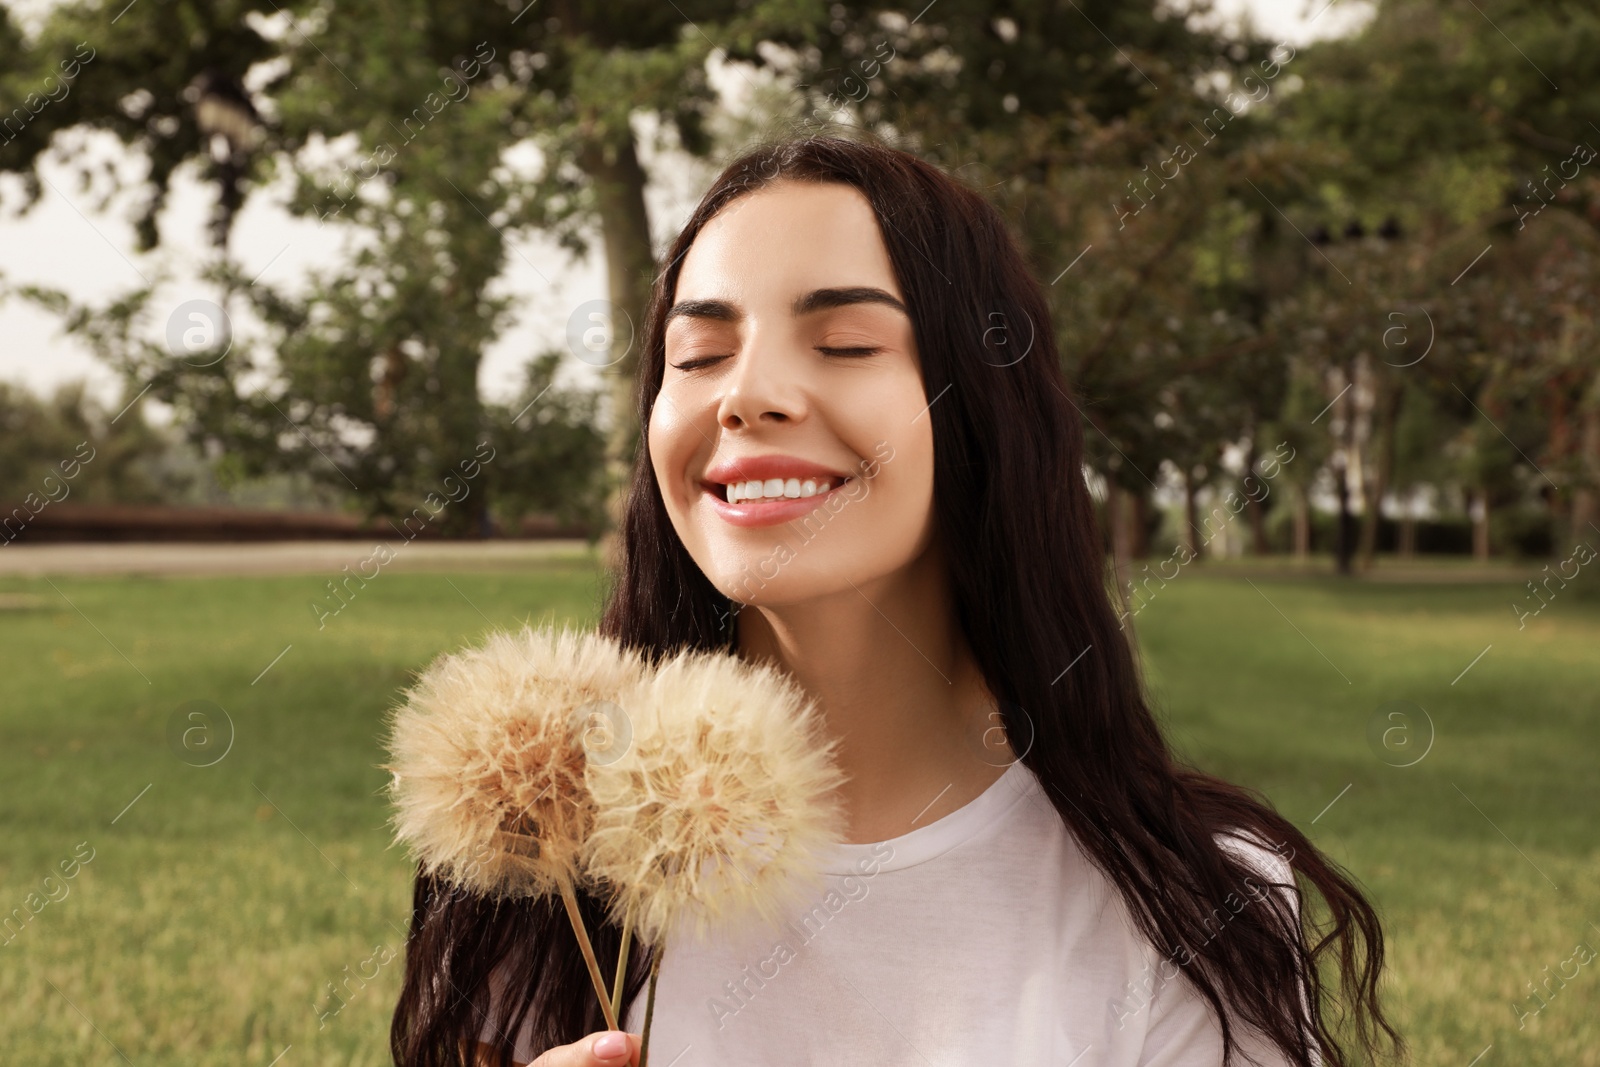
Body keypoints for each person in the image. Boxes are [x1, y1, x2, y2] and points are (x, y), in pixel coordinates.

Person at [390, 135, 1403, 1067]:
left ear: (979, 406)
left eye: (843, 343)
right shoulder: (541, 862)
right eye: (697, 356)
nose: (745, 394)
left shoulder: (1185, 905)